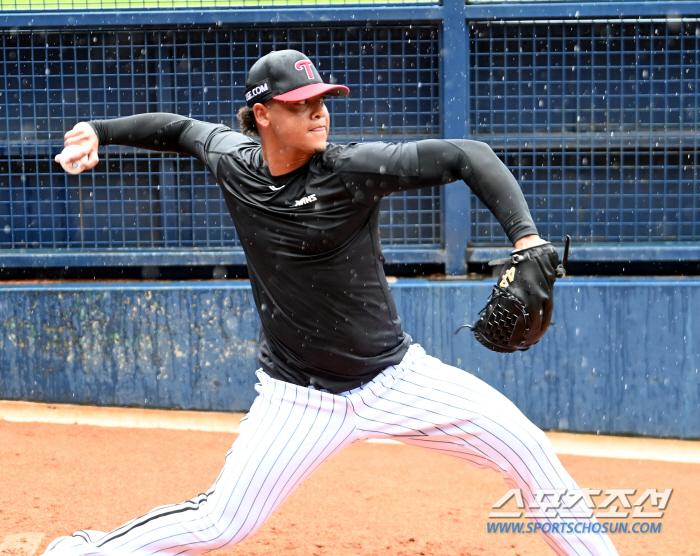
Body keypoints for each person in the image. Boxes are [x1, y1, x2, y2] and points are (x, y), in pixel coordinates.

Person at [48, 49, 618, 556]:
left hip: (397, 380)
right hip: (299, 399)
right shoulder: (233, 162)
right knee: (223, 521)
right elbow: (175, 128)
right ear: (264, 114)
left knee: (530, 454)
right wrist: (98, 129)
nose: (319, 111)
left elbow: (468, 155)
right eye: (301, 103)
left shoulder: (349, 171)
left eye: (323, 99)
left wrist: (528, 239)